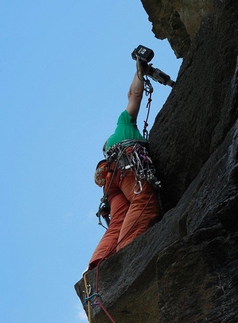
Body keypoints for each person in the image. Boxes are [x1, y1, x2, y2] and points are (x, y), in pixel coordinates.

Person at [88, 59, 160, 270]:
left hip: (111, 180)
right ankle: (126, 255)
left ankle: (97, 266)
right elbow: (134, 96)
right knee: (143, 201)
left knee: (117, 222)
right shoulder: (123, 124)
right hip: (128, 163)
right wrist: (140, 72)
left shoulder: (111, 144)